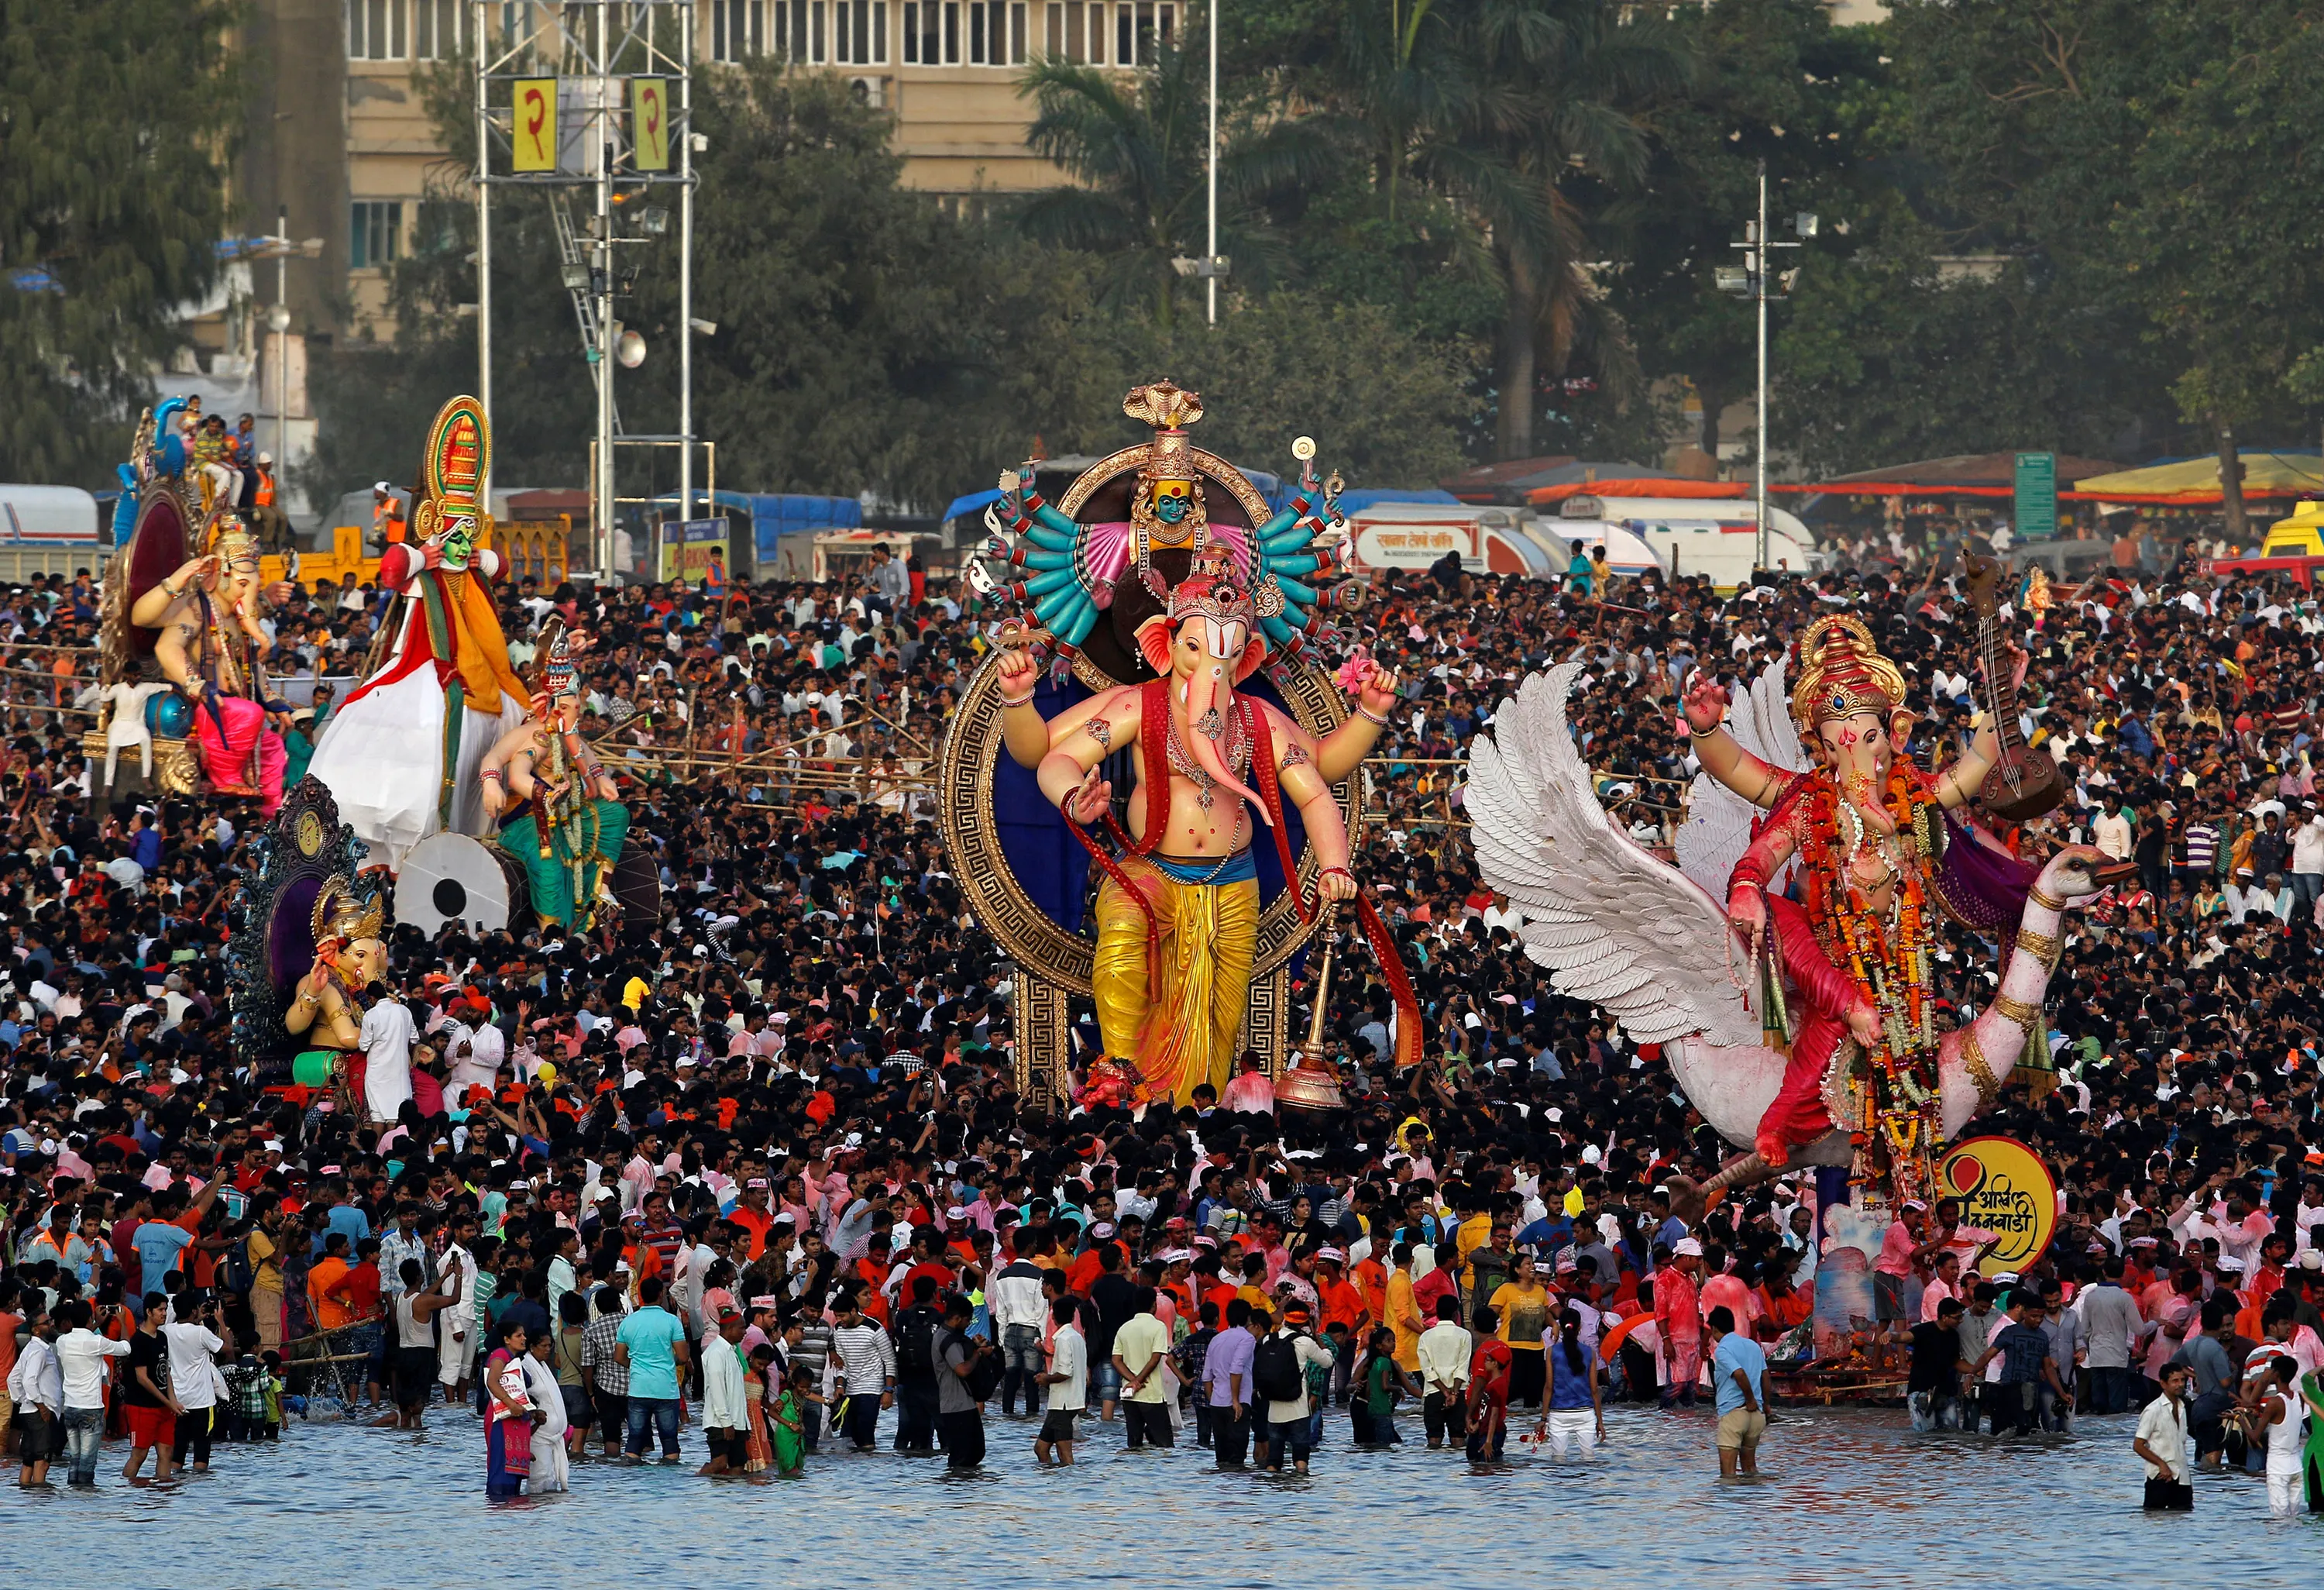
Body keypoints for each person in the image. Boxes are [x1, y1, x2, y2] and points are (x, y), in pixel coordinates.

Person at [614, 1275, 692, 1464]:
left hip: (639, 1388)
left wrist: (638, 1366)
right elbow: (683, 1356)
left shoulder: (628, 1322)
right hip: (666, 1388)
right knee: (669, 1441)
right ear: (661, 1294)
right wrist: (668, 1361)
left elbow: (619, 1357)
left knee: (634, 1441)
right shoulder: (672, 1321)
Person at [1257, 1304, 1332, 1474]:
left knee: (1273, 1461)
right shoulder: (1305, 1342)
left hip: (1274, 1409)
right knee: (1301, 1460)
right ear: (1305, 1321)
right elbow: (1328, 1361)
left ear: (1285, 1318)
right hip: (1298, 1409)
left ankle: (1272, 1493)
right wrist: (1316, 1336)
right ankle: (1301, 1495)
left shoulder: (1269, 1340)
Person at [122, 1292, 182, 1484]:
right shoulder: (139, 1340)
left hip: (164, 1407)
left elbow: (166, 1371)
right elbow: (142, 1378)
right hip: (142, 1405)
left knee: (166, 1451)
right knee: (140, 1453)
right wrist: (167, 1402)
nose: (164, 1314)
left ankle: (163, 1491)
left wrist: (172, 1400)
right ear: (149, 1312)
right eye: (160, 1310)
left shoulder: (162, 1337)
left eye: (165, 1309)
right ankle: (126, 1489)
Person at [163, 1292, 225, 1475]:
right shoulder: (201, 1332)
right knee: (201, 1453)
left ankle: (177, 1486)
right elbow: (226, 1349)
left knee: (178, 1452)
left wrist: (195, 1317)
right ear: (193, 1311)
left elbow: (180, 1326)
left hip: (178, 1401)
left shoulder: (166, 1331)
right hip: (203, 1401)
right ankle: (200, 1496)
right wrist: (220, 1320)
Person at [1534, 1306, 1604, 1461]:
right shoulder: (1590, 1352)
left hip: (1559, 1414)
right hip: (1585, 1413)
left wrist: (1543, 1419)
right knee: (1589, 1459)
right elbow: (1594, 1390)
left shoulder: (1551, 1352)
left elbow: (1549, 1387)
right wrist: (1600, 1421)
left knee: (1558, 1460)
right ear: (1579, 1327)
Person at [1112, 1283, 1175, 1450]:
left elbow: (1116, 1360)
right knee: (1165, 1445)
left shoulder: (1124, 1328)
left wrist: (1132, 1381)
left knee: (1134, 1444)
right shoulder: (1158, 1327)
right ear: (1154, 1305)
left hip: (1129, 1394)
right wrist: (1139, 1380)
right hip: (1151, 1394)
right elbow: (1155, 1358)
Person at [1707, 1304, 1767, 1477]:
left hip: (1735, 1413)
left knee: (1728, 1476)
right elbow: (1765, 1377)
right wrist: (1766, 1406)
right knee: (1750, 1470)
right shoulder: (1753, 1346)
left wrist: (1749, 1399)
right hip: (1757, 1416)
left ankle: (1731, 1505)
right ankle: (1754, 1503)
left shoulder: (1723, 1350)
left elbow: (1739, 1373)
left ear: (1714, 1328)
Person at [933, 1290, 989, 1471]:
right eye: (967, 1321)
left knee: (976, 1452)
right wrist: (978, 1353)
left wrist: (974, 1346)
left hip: (965, 1404)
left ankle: (964, 1489)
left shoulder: (950, 1336)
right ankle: (956, 1490)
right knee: (962, 1457)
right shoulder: (946, 1339)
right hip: (955, 1407)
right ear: (957, 1318)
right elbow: (962, 1370)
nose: (967, 1325)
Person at [8, 1305, 60, 1488]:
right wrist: (40, 1405)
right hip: (41, 1412)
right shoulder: (39, 1351)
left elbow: (13, 1379)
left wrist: (22, 1401)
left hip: (28, 1411)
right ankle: (39, 1507)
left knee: (29, 1460)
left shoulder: (30, 1349)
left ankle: (27, 1508)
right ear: (36, 1329)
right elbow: (29, 1381)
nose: (51, 1324)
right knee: (42, 1462)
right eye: (47, 1323)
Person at [483, 1317, 537, 1498]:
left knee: (514, 1469)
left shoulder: (515, 1359)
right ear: (507, 1339)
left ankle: (512, 1510)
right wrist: (512, 1404)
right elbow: (492, 1381)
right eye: (518, 1335)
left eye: (524, 1335)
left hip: (515, 1417)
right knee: (501, 1462)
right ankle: (498, 1505)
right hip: (502, 1416)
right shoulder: (501, 1355)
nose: (524, 1338)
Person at [2133, 1362, 2195, 1511]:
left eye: (2182, 1380)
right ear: (2163, 1383)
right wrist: (2162, 1465)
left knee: (2184, 1522)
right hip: (2160, 1477)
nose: (2180, 1385)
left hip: (2182, 1478)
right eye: (2175, 1381)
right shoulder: (2153, 1410)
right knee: (2156, 1521)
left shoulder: (2182, 1408)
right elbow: (2138, 1445)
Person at [1035, 1295, 1088, 1466]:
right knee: (1041, 1448)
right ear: (1073, 1316)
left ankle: (1069, 1486)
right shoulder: (1077, 1337)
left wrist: (1046, 1379)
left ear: (1053, 1317)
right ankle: (1052, 1479)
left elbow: (1065, 1372)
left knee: (1065, 1454)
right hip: (1065, 1401)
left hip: (1063, 1403)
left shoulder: (1064, 1339)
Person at [697, 1308, 750, 1478]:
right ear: (729, 1329)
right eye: (741, 1328)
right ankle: (695, 1482)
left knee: (738, 1467)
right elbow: (717, 1389)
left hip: (738, 1421)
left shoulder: (732, 1351)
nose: (744, 1332)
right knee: (719, 1464)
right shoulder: (716, 1352)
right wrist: (726, 1423)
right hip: (720, 1423)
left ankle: (730, 1501)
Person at [1417, 1295, 1470, 1450]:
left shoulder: (1425, 1337)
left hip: (1433, 1392)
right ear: (1456, 1314)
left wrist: (1445, 1392)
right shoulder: (1464, 1335)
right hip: (1459, 1392)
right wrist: (1453, 1392)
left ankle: (1435, 1472)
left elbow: (1428, 1371)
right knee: (1458, 1438)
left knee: (1433, 1440)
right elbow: (1462, 1367)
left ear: (1437, 1313)